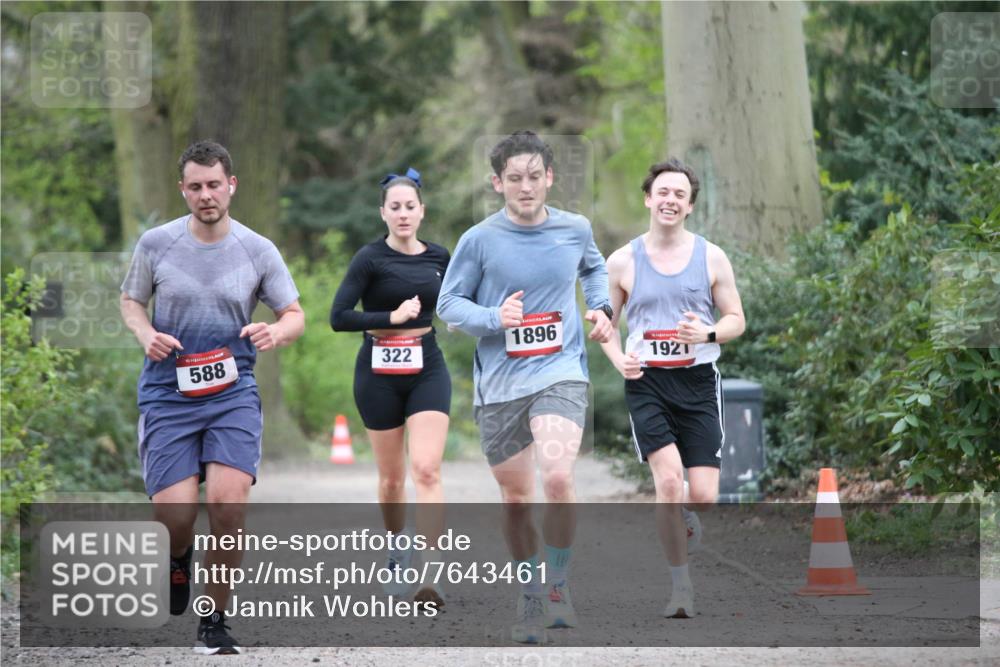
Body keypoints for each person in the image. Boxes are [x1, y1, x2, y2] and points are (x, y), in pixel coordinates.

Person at [120, 140, 304, 655]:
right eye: (196, 186)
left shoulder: (257, 249)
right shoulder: (157, 244)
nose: (206, 195)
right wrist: (144, 333)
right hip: (168, 394)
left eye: (214, 185)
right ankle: (178, 556)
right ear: (183, 190)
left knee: (227, 507)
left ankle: (214, 621)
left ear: (231, 186)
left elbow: (295, 314)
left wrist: (277, 331)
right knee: (176, 519)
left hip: (232, 393)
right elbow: (131, 300)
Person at [437, 131, 613, 644]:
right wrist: (496, 317)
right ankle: (529, 589)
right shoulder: (479, 240)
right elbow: (449, 305)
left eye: (535, 176)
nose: (526, 186)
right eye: (515, 178)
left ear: (550, 177)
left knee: (556, 475)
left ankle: (557, 586)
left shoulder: (575, 229)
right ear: (497, 183)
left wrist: (601, 308)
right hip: (501, 384)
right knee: (516, 500)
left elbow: (594, 267)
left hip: (560, 371)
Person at [599, 158, 745, 618]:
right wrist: (619, 359)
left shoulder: (711, 257)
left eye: (680, 194)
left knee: (702, 495)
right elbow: (606, 326)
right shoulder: (622, 261)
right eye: (663, 192)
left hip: (698, 383)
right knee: (667, 482)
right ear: (648, 198)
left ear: (690, 206)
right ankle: (681, 588)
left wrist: (707, 333)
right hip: (647, 382)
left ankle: (686, 513)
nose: (670, 200)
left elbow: (736, 319)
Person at [330, 167, 451, 607]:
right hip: (377, 371)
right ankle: (398, 548)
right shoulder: (369, 258)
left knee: (427, 469)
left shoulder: (440, 257)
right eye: (395, 207)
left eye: (410, 206)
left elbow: (457, 301)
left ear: (422, 211)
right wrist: (391, 318)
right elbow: (339, 317)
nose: (403, 214)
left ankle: (432, 574)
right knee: (392, 480)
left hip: (426, 367)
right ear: (383, 213)